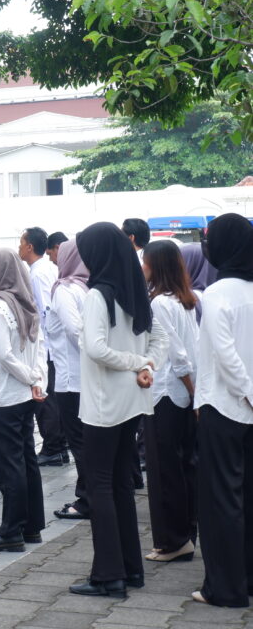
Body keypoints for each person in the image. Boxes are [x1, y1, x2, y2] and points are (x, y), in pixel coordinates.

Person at [69, 222, 166, 599]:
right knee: (121, 484)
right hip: (131, 400)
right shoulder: (135, 291)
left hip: (104, 403)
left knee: (101, 486)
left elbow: (94, 348)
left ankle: (108, 575)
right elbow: (159, 339)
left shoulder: (99, 295)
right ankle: (130, 569)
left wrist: (137, 363)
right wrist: (146, 365)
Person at [193, 214, 253, 607]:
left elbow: (225, 354)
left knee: (222, 502)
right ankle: (245, 579)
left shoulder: (217, 293)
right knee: (246, 497)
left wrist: (247, 392)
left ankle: (226, 588)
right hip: (245, 407)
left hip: (224, 404)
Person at [0, 248, 48, 552]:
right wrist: (37, 378)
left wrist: (30, 378)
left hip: (6, 395)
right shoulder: (26, 302)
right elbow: (41, 345)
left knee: (10, 465)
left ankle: (11, 530)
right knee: (27, 459)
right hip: (26, 394)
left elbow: (3, 354)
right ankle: (31, 526)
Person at [141, 240, 199, 564]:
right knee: (184, 466)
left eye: (146, 262)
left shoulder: (159, 303)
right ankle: (186, 533)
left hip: (166, 392)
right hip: (183, 393)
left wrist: (192, 391)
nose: (142, 267)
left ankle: (173, 540)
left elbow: (177, 355)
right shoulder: (184, 299)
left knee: (165, 470)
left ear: (156, 266)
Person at [49, 242, 92, 521]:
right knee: (85, 441)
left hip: (70, 378)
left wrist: (93, 356)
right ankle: (89, 494)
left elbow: (75, 330)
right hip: (83, 376)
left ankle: (86, 499)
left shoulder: (65, 290)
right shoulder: (86, 287)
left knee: (79, 442)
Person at [19, 226, 67, 467]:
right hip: (51, 344)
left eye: (21, 243)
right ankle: (57, 445)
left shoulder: (37, 273)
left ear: (29, 246)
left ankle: (54, 447)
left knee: (45, 399)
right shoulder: (47, 268)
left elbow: (44, 310)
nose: (19, 248)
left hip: (47, 344)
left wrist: (43, 345)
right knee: (51, 397)